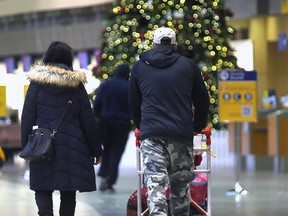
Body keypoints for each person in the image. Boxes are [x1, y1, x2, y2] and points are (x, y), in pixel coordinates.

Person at [128, 27, 210, 215]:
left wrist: (143, 126)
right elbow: (202, 100)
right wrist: (195, 127)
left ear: (153, 44)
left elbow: (133, 101)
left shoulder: (140, 66)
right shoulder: (188, 65)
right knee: (180, 189)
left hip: (152, 136)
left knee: (155, 187)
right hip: (181, 135)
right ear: (174, 45)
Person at [20, 41, 103, 216]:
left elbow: (27, 117)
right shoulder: (75, 84)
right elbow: (87, 120)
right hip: (73, 145)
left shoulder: (37, 83)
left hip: (43, 145)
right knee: (68, 190)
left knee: (42, 187)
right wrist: (96, 149)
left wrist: (26, 147)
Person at [93, 64, 131, 193]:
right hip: (122, 123)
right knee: (117, 152)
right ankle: (110, 179)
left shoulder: (106, 84)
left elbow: (97, 104)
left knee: (107, 150)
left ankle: (103, 175)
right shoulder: (129, 87)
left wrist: (99, 116)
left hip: (105, 122)